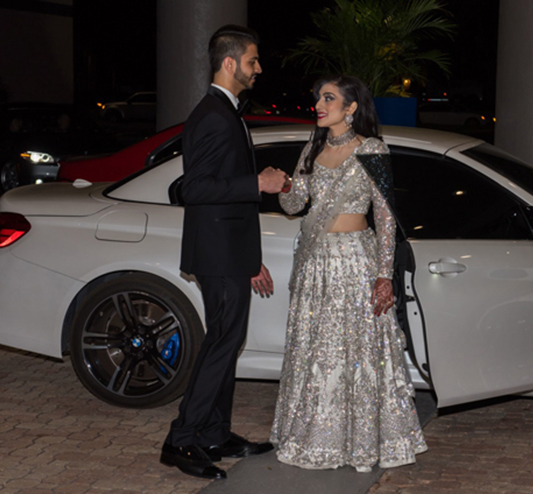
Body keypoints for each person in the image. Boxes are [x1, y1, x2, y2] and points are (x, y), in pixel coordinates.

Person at [270, 75, 427, 472]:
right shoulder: (313, 146)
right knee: (317, 351)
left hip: (355, 261)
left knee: (355, 353)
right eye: (317, 98)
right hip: (315, 263)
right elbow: (293, 206)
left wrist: (384, 275)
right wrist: (284, 184)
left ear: (352, 107)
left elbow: (386, 217)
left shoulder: (372, 149)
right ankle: (314, 437)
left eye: (328, 98)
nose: (319, 105)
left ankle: (360, 441)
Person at [160, 25, 288, 480]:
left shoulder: (225, 111)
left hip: (228, 251)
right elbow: (193, 189)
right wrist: (259, 183)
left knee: (227, 343)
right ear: (230, 63)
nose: (258, 69)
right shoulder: (213, 115)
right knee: (221, 344)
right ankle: (181, 438)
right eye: (253, 61)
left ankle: (214, 432)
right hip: (215, 253)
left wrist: (249, 257)